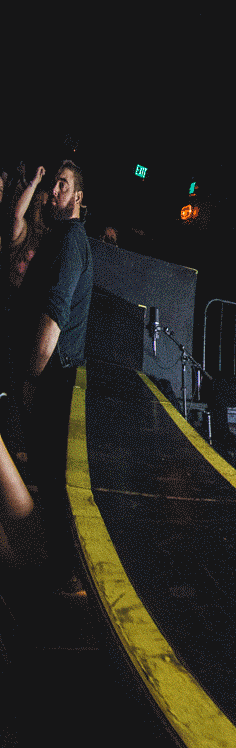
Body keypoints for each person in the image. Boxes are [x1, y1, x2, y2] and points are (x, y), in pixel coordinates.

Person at [20, 160, 93, 588]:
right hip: (52, 376)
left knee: (51, 478)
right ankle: (60, 570)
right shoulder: (62, 238)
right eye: (54, 185)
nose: (54, 191)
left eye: (62, 186)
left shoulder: (70, 242)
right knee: (48, 477)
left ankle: (64, 574)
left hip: (53, 378)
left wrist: (31, 378)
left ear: (78, 197)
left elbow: (54, 317)